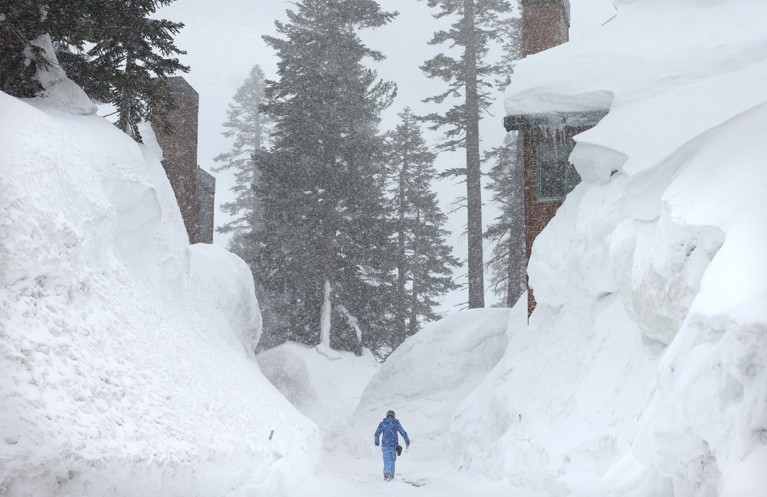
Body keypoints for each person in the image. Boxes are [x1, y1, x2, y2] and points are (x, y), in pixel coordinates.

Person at [374, 410, 410, 481]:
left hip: (385, 445)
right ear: (393, 416)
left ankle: (387, 475)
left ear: (387, 415)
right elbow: (403, 432)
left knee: (386, 460)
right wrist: (407, 441)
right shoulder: (395, 423)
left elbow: (376, 434)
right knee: (392, 460)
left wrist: (377, 442)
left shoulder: (383, 423)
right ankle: (392, 475)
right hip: (394, 445)